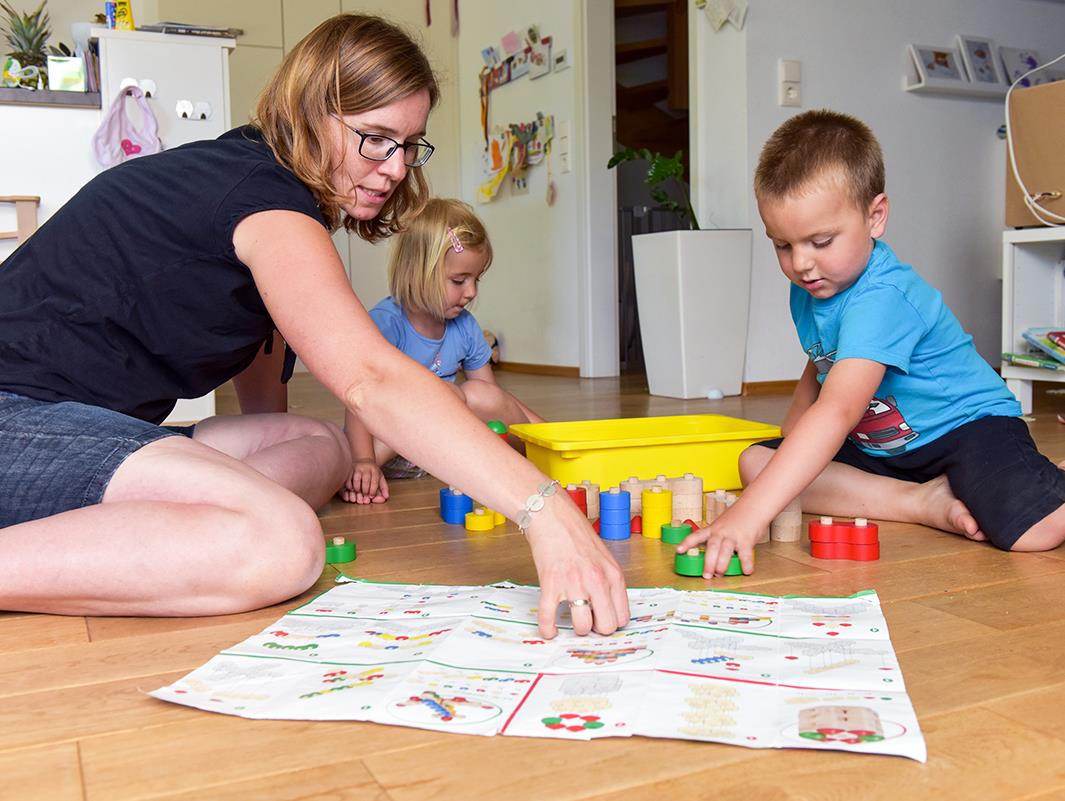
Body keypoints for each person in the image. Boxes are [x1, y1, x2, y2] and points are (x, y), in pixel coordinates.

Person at [0, 14, 628, 638]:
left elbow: (261, 351)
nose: (396, 167)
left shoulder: (249, 185)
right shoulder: (265, 201)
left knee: (319, 443)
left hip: (84, 426)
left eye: (409, 146)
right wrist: (544, 511)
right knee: (282, 540)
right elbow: (369, 379)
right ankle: (163, 528)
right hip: (18, 419)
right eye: (376, 138)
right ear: (311, 110)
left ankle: (154, 523)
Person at [679, 109, 1065, 576]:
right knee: (759, 464)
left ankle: (1045, 480)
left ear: (875, 217)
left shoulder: (883, 297)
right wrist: (789, 445)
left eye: (820, 241)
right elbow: (821, 365)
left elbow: (838, 409)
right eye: (783, 245)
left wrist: (748, 515)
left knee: (1034, 533)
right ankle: (923, 501)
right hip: (886, 448)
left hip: (966, 429)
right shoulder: (815, 285)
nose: (801, 263)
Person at [341, 198, 544, 505]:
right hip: (389, 445)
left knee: (482, 393)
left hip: (443, 443)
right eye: (459, 280)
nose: (472, 292)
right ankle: (350, 475)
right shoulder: (386, 324)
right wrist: (363, 460)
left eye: (477, 279)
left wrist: (544, 433)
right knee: (370, 433)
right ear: (417, 272)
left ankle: (547, 447)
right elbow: (357, 402)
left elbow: (490, 397)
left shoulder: (464, 326)